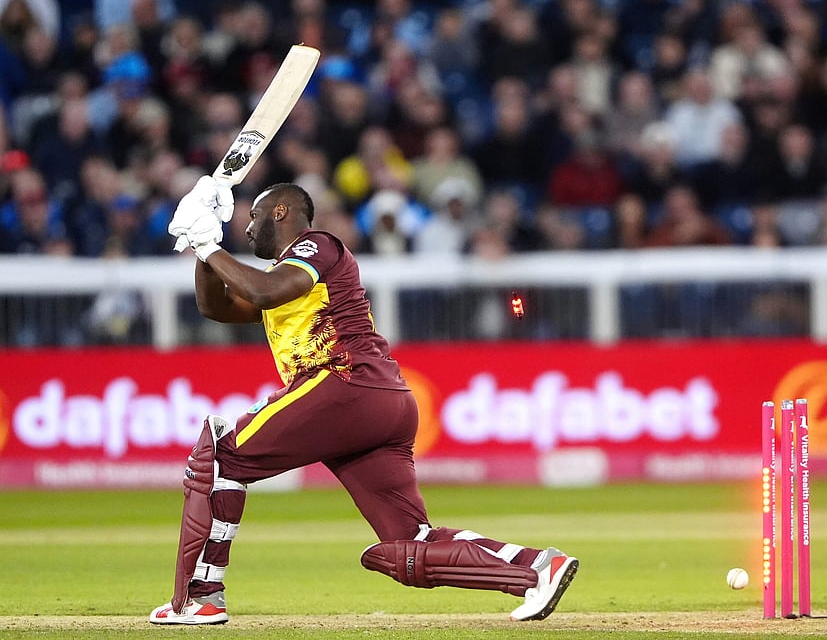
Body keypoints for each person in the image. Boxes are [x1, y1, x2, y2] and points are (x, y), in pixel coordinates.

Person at [150, 177, 578, 625]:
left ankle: (200, 597)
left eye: (254, 218)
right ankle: (536, 569)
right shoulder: (283, 272)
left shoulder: (316, 246)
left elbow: (262, 292)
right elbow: (216, 308)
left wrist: (208, 246)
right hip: (380, 401)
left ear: (280, 212)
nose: (249, 229)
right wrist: (206, 245)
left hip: (344, 383)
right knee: (408, 542)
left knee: (217, 456)